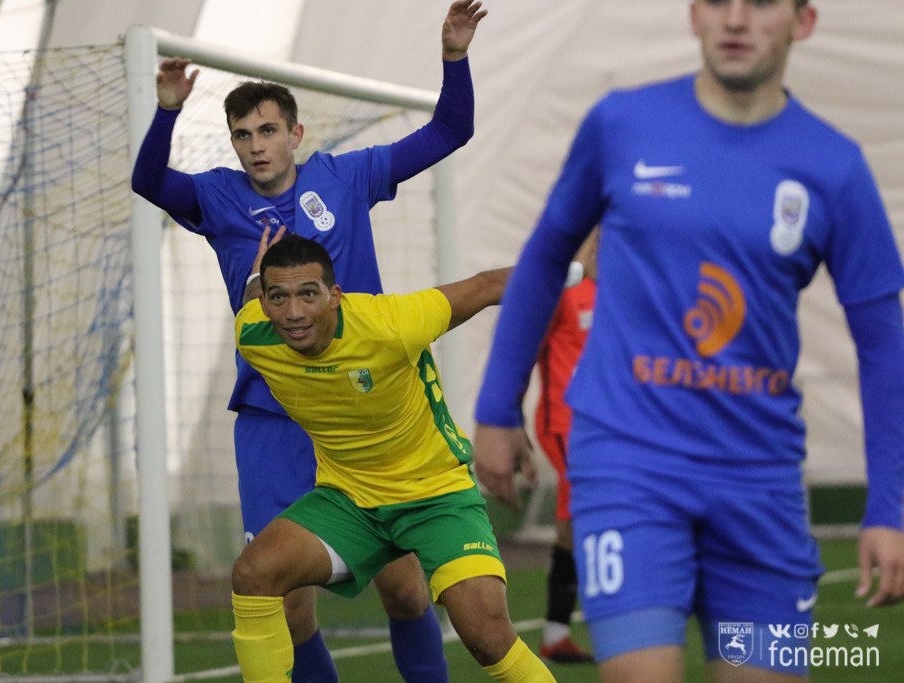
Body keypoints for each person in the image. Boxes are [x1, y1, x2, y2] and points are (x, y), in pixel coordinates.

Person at [472, 2, 904, 682]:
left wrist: (889, 506)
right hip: (627, 464)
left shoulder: (834, 166)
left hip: (759, 481)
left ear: (803, 21)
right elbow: (546, 256)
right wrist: (497, 407)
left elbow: (882, 343)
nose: (736, 19)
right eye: (719, 2)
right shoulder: (621, 123)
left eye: (760, 3)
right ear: (695, 15)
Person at [131, 3, 486, 681]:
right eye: (242, 135)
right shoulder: (218, 199)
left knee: (407, 591)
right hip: (273, 418)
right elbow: (148, 183)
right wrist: (168, 111)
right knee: (285, 603)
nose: (256, 145)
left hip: (362, 412)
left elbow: (451, 129)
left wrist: (454, 57)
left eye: (267, 130)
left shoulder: (346, 176)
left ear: (295, 133)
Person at [230, 233, 557, 683]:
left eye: (308, 294)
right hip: (349, 501)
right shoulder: (252, 334)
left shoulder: (392, 323)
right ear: (265, 304)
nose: (294, 312)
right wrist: (255, 275)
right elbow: (251, 299)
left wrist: (575, 270)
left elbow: (486, 285)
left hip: (436, 496)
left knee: (487, 637)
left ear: (334, 296)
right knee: (253, 574)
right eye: (279, 298)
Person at [533, 230, 598, 665]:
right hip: (562, 425)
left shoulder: (604, 291)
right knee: (595, 515)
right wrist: (507, 420)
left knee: (571, 527)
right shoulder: (558, 293)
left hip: (598, 428)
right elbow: (523, 351)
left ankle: (556, 636)